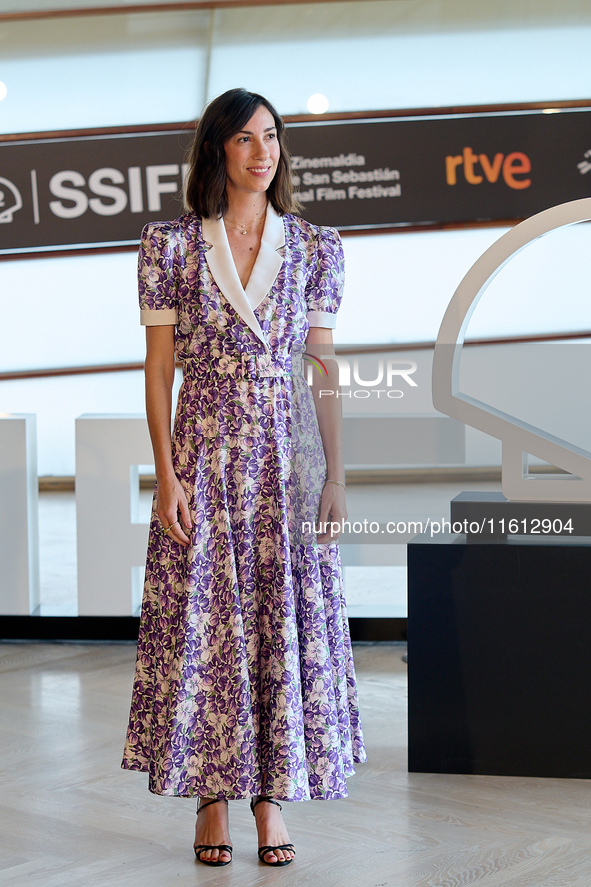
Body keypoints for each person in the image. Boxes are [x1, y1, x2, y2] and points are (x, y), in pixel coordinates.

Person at [121, 87, 366, 868]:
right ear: (217, 151)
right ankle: (211, 801)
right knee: (208, 625)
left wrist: (335, 474)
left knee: (279, 622)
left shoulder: (317, 245)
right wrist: (165, 475)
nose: (263, 151)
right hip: (204, 451)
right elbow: (160, 370)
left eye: (272, 137)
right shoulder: (169, 245)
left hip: (286, 458)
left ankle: (272, 799)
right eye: (245, 139)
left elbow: (321, 365)